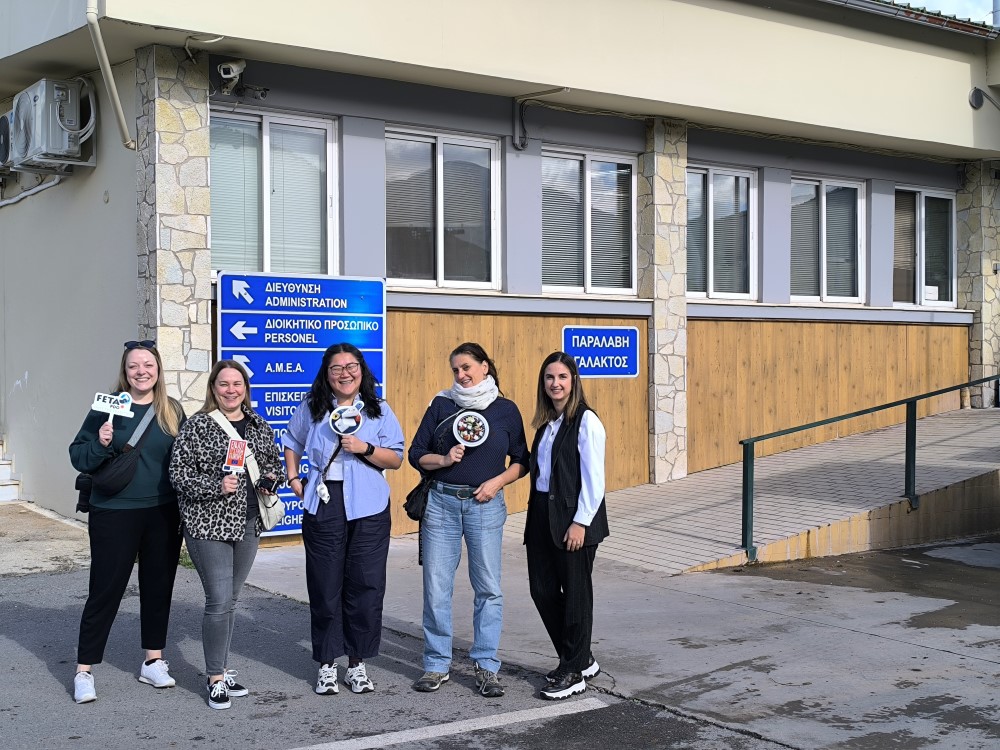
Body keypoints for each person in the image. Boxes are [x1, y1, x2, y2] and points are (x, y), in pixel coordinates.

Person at [283, 343, 405, 696]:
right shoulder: (312, 407)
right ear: (326, 374)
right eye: (336, 368)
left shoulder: (378, 410)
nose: (344, 374)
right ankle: (326, 663)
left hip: (369, 505)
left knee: (366, 585)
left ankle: (357, 662)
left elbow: (396, 458)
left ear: (361, 371)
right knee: (325, 584)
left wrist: (365, 448)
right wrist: (294, 478)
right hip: (325, 502)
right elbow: (292, 440)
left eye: (351, 366)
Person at [408, 342, 528, 698]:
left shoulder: (505, 409)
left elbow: (522, 460)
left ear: (484, 367)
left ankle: (486, 665)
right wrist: (444, 460)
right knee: (436, 587)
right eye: (455, 370)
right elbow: (416, 454)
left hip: (485, 506)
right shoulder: (441, 404)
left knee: (488, 588)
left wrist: (497, 482)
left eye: (466, 367)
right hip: (441, 505)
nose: (461, 375)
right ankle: (436, 663)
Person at [68, 340, 185, 704]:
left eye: (148, 365)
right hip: (114, 511)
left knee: (158, 587)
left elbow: (186, 458)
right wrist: (101, 442)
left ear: (158, 369)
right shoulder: (106, 407)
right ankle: (84, 670)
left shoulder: (172, 410)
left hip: (163, 511)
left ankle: (153, 661)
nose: (141, 372)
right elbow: (78, 456)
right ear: (125, 371)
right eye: (134, 366)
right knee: (105, 590)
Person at [169, 360, 285, 710]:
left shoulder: (259, 425)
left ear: (245, 389)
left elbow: (273, 464)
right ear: (213, 389)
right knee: (219, 600)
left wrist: (270, 480)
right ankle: (215, 678)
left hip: (249, 524)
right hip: (208, 525)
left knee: (231, 600)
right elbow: (178, 474)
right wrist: (216, 486)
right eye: (224, 384)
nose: (231, 390)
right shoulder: (198, 426)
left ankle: (220, 667)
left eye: (237, 384)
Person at [526, 352, 609, 700]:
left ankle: (572, 671)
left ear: (573, 380)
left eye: (562, 377)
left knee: (575, 597)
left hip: (574, 520)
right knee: (542, 590)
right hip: (541, 517)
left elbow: (594, 479)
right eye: (549, 377)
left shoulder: (586, 421)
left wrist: (580, 522)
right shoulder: (546, 424)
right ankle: (580, 656)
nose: (555, 383)